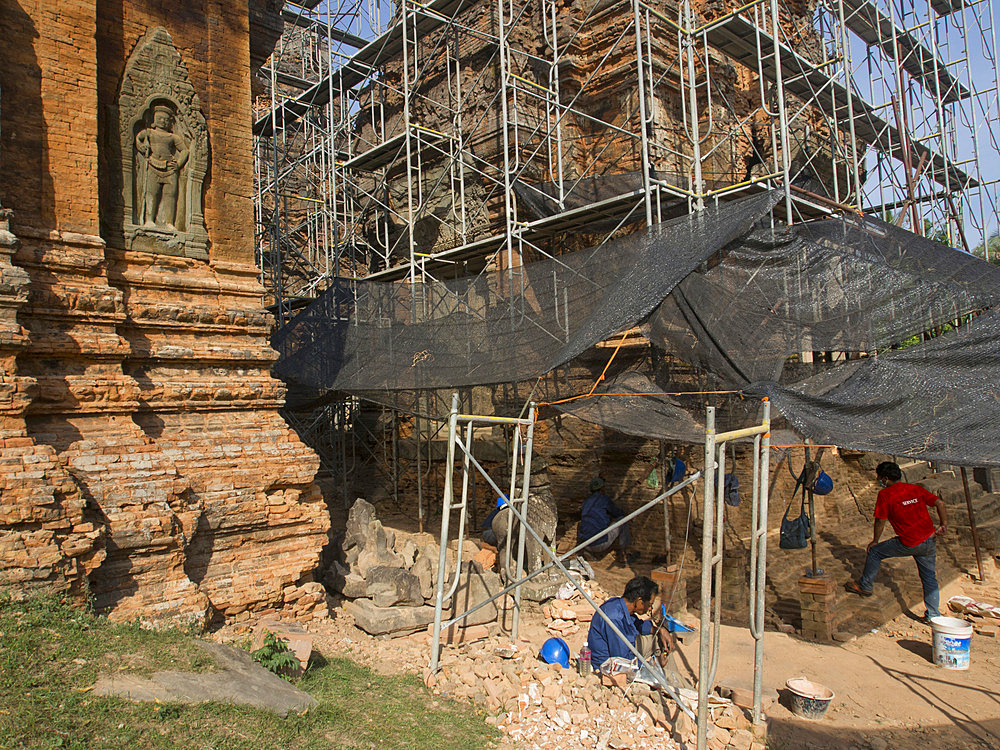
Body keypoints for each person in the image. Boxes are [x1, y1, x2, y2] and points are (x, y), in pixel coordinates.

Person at [845, 461, 948, 621]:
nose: (879, 480)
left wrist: (875, 540)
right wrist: (943, 524)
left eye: (879, 477)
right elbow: (939, 503)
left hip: (909, 542)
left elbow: (880, 521)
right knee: (929, 577)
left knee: (875, 552)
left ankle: (865, 585)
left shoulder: (885, 495)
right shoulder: (915, 488)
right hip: (929, 540)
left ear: (885, 478)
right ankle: (933, 615)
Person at [587, 576, 674, 672]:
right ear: (640, 601)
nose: (650, 609)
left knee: (661, 641)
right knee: (658, 663)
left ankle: (672, 679)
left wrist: (658, 630)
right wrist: (653, 663)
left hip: (622, 652)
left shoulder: (620, 605)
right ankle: (669, 683)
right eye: (649, 605)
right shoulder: (614, 617)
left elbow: (637, 624)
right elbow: (622, 660)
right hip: (609, 665)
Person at [135, 105, 189, 230]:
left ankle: (169, 222)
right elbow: (138, 138)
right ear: (154, 120)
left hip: (169, 169)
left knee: (170, 195)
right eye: (160, 118)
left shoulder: (173, 137)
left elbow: (185, 150)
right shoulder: (149, 133)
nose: (163, 122)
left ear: (170, 122)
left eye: (166, 119)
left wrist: (178, 163)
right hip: (153, 165)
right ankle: (149, 220)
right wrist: (141, 146)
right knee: (151, 193)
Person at [578, 477, 631, 563]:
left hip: (585, 544)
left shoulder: (585, 502)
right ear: (602, 488)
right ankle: (623, 555)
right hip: (600, 544)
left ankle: (588, 552)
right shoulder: (604, 499)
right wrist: (624, 512)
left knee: (585, 523)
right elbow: (617, 513)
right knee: (623, 520)